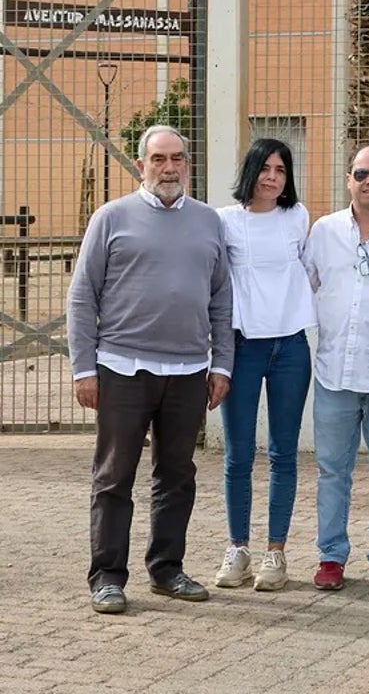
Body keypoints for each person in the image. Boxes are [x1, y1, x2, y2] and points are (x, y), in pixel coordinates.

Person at [68, 124, 233, 615]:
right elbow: (82, 296)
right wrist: (84, 368)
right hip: (123, 367)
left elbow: (222, 297)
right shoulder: (111, 217)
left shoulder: (208, 222)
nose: (168, 167)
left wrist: (221, 362)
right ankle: (107, 577)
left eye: (177, 158)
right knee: (115, 475)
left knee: (177, 475)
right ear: (140, 165)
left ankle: (167, 569)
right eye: (158, 158)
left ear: (187, 164)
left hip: (188, 371)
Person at [302, 145, 369, 593]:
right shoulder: (323, 232)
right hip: (334, 372)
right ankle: (331, 555)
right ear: (348, 178)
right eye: (362, 173)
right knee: (332, 471)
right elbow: (305, 285)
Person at [213, 139, 316, 592]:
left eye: (281, 169)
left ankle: (276, 552)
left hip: (291, 347)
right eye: (266, 168)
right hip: (242, 348)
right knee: (238, 454)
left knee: (283, 454)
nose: (273, 176)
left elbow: (309, 272)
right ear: (251, 170)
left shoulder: (298, 216)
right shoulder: (225, 221)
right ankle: (238, 548)